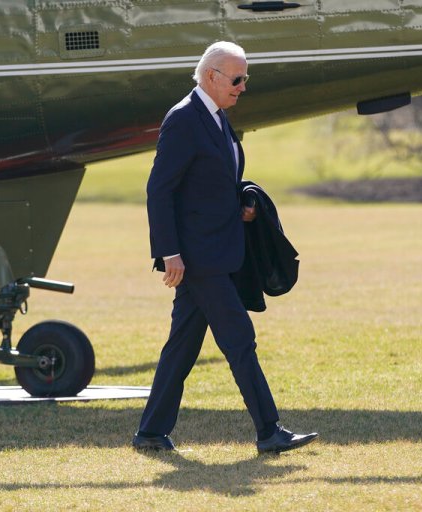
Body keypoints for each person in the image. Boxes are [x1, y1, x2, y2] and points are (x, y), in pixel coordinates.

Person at [133, 41, 318, 454]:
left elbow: (211, 184)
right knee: (239, 340)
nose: (242, 87)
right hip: (200, 258)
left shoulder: (216, 117)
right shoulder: (184, 119)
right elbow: (159, 189)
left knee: (182, 347)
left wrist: (244, 205)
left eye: (245, 78)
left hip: (219, 250)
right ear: (211, 76)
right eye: (237, 79)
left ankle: (150, 432)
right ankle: (269, 430)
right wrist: (169, 253)